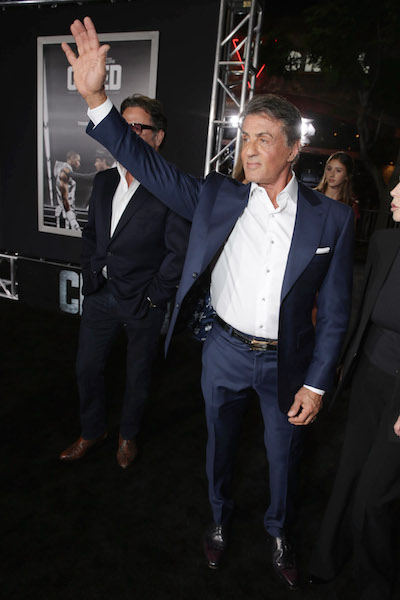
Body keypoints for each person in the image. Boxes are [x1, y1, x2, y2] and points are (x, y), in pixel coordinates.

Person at [61, 17, 354, 589]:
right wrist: (97, 98)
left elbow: (338, 308)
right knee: (218, 448)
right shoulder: (219, 196)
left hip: (284, 363)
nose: (249, 149)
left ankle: (278, 530)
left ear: (294, 149)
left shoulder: (331, 218)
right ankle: (220, 519)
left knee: (283, 457)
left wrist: (317, 384)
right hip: (222, 351)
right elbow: (148, 164)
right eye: (245, 138)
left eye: (264, 139)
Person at [59, 93, 190, 470]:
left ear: (158, 137)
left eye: (137, 126)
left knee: (138, 375)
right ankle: (92, 430)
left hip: (143, 302)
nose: (128, 133)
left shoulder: (171, 187)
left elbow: (177, 254)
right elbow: (91, 235)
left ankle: (127, 436)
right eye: (123, 125)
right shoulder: (102, 181)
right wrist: (90, 273)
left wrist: (154, 297)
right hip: (101, 295)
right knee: (86, 368)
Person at [309, 181, 400, 599]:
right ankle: (328, 558)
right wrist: (341, 366)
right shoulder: (384, 241)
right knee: (348, 473)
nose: (394, 192)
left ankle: (375, 587)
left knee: (375, 497)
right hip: (368, 377)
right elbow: (364, 314)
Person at [315, 151, 360, 221]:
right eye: (329, 169)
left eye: (338, 170)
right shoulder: (312, 196)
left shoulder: (350, 206)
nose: (332, 174)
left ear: (347, 176)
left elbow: (349, 231)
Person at [54, 150, 81, 230]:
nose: (79, 163)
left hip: (66, 213)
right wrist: (71, 218)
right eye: (78, 160)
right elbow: (64, 196)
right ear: (72, 159)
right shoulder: (65, 171)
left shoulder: (66, 170)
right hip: (66, 215)